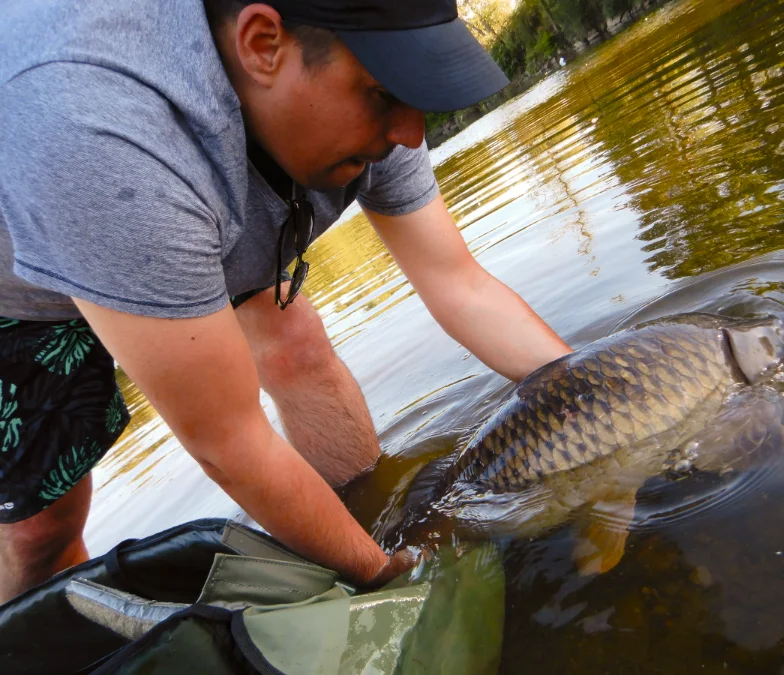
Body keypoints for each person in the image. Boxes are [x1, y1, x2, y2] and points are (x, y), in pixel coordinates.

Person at [0, 0, 573, 604]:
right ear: (262, 44)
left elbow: (461, 286)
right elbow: (229, 442)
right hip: (24, 271)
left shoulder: (358, 92)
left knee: (295, 343)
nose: (411, 134)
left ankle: (372, 520)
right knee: (42, 533)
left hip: (177, 198)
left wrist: (610, 390)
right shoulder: (99, 132)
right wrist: (391, 583)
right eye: (382, 95)